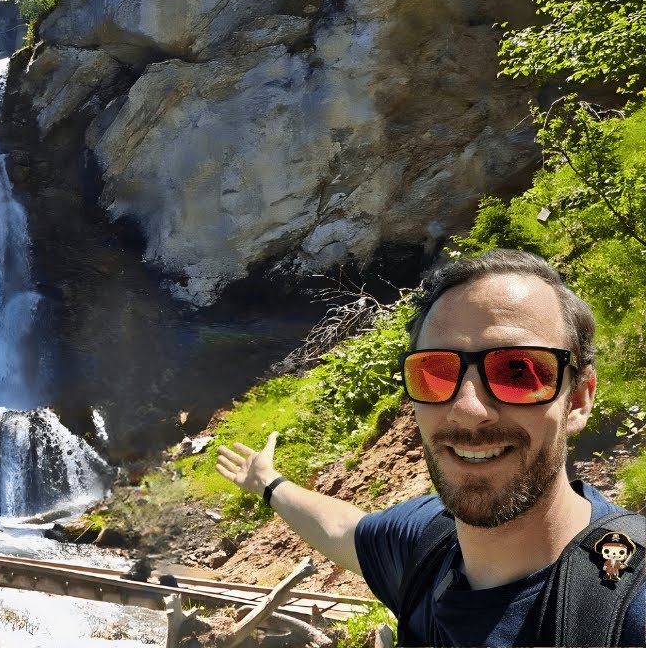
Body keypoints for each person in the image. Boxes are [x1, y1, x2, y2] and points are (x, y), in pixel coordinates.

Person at [215, 249, 646, 645]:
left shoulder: (630, 605)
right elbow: (344, 529)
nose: (468, 409)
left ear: (580, 398)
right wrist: (268, 483)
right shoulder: (428, 543)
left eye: (518, 371)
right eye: (436, 372)